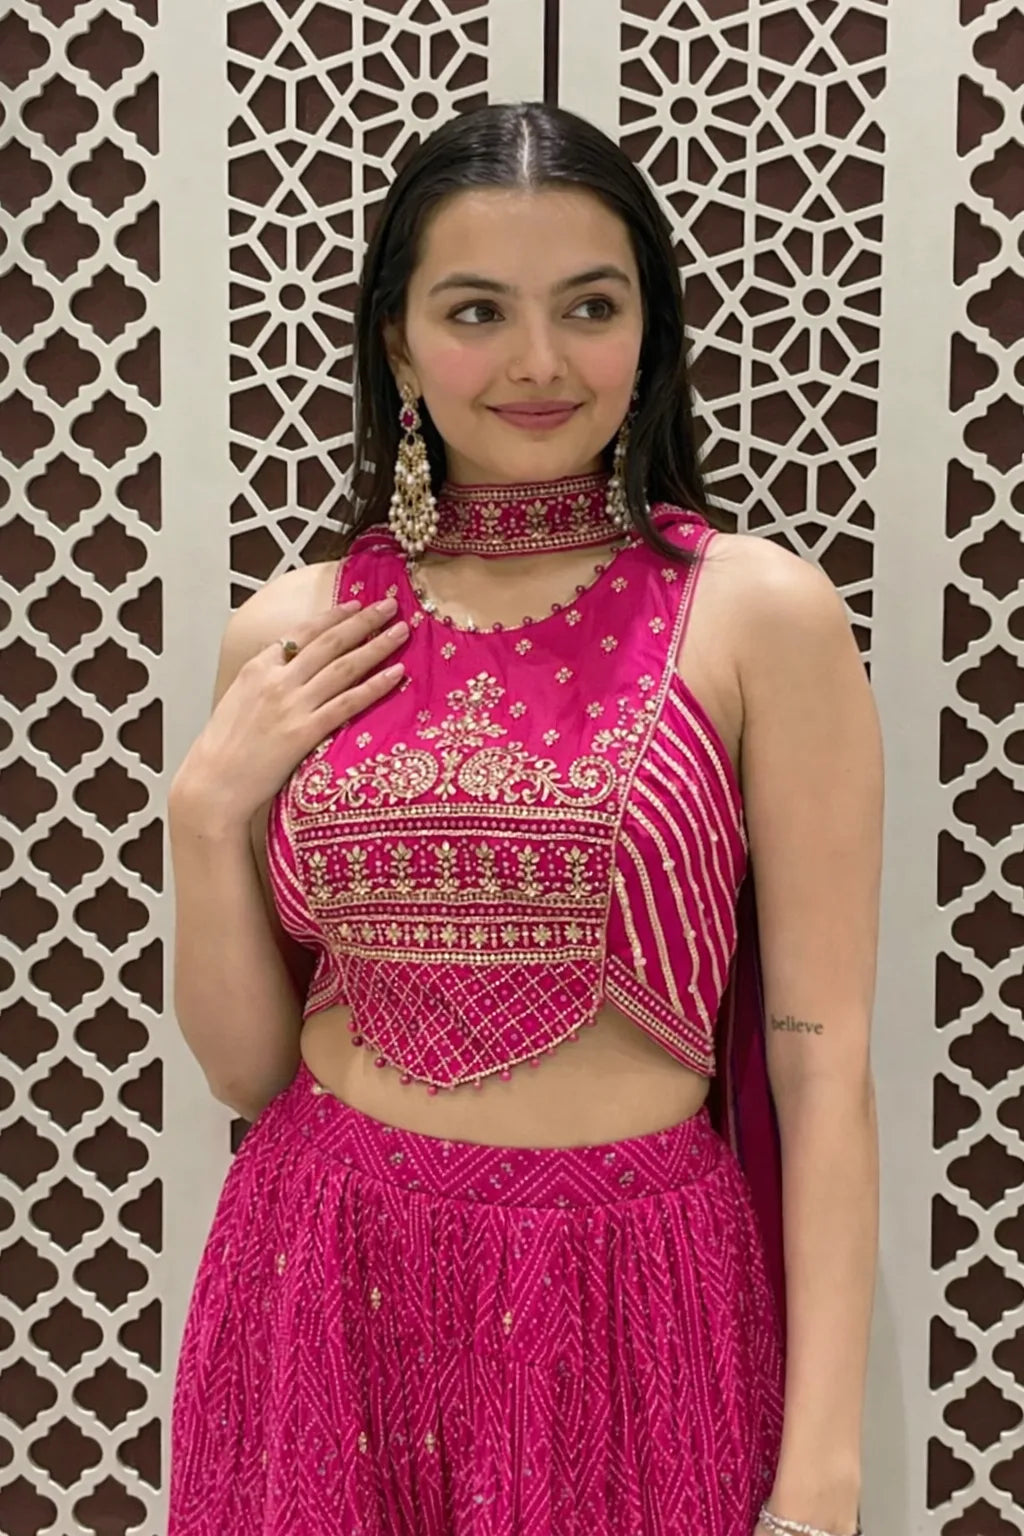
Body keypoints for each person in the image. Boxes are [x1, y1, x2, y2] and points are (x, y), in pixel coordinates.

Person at [167, 102, 880, 1536]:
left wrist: (824, 1472)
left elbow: (823, 1066)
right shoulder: (293, 636)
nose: (541, 363)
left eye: (590, 306)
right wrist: (200, 819)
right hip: (323, 1276)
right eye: (477, 310)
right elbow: (250, 1076)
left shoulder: (755, 615)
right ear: (397, 344)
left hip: (633, 1291)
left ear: (651, 334)